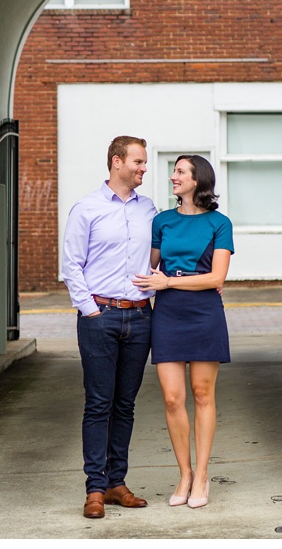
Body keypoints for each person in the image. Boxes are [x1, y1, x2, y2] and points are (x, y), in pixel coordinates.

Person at [61, 135, 158, 519]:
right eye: (138, 161)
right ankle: (95, 489)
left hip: (140, 316)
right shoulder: (86, 208)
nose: (144, 168)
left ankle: (117, 483)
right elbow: (72, 264)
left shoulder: (149, 209)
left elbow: (161, 255)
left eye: (145, 162)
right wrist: (90, 311)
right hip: (100, 316)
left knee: (126, 404)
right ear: (117, 162)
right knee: (99, 404)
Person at [132, 154, 233, 509]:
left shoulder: (220, 223)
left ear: (197, 180)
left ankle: (203, 475)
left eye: (180, 172)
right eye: (173, 171)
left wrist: (173, 283)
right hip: (169, 315)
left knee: (202, 393)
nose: (172, 176)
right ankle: (185, 474)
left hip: (204, 313)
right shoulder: (163, 221)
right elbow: (149, 267)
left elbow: (217, 278)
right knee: (173, 398)